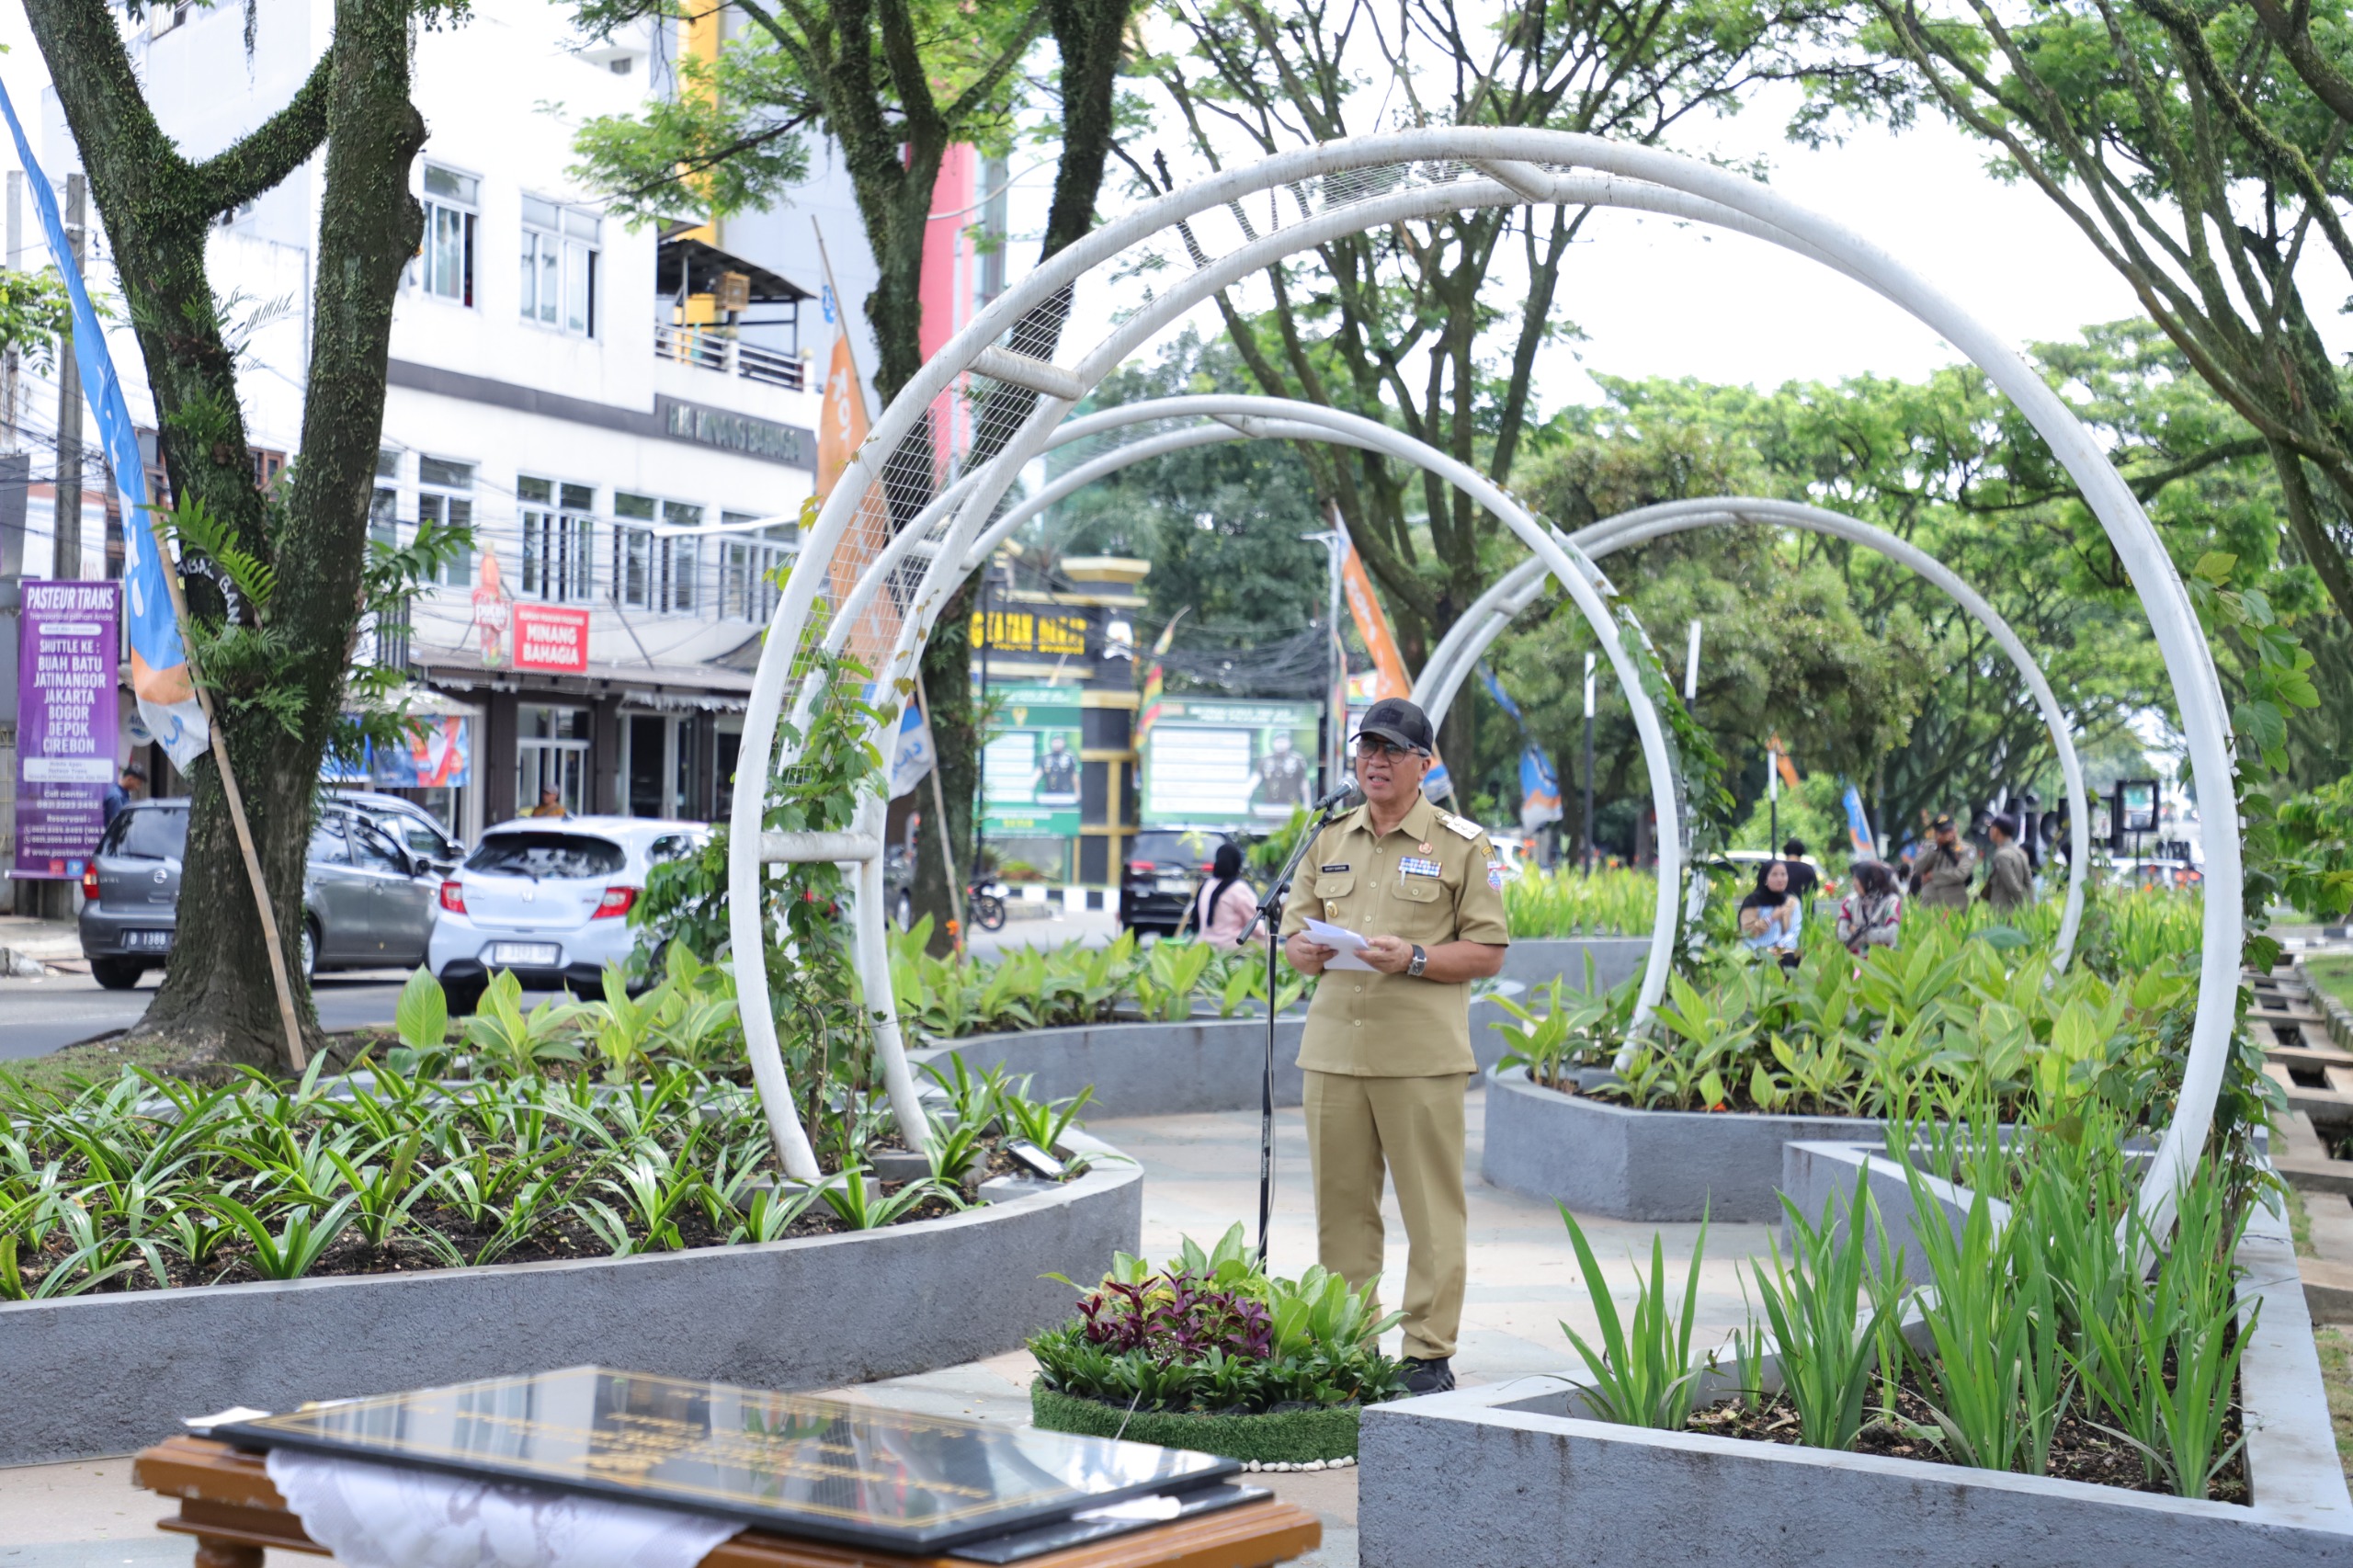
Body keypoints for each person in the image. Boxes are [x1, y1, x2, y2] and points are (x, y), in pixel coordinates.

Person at [1280, 697, 1507, 1397]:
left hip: (1419, 1056)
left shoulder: (1462, 844)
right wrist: (1306, 953)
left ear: (1424, 764)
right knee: (1341, 1209)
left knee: (1431, 1209)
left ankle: (1425, 1353)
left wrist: (1412, 957)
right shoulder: (1329, 837)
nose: (1374, 762)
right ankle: (1347, 1345)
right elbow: (1294, 933)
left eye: (1391, 751)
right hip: (1334, 1054)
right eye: (1366, 748)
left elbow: (1488, 950)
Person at [1186, 842, 1265, 949]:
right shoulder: (1238, 888)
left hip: (1205, 945)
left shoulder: (1207, 884)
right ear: (1237, 863)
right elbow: (1254, 925)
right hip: (1231, 947)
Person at [1736, 860, 1803, 966]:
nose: (1780, 879)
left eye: (1783, 874)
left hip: (1782, 950)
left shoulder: (1792, 902)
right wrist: (1771, 918)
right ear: (1765, 878)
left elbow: (1794, 931)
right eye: (1774, 875)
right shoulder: (1753, 901)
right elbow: (1747, 934)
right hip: (1755, 950)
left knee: (1791, 958)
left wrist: (1780, 946)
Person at [1836, 859, 1903, 955]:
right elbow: (1841, 934)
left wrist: (1859, 932)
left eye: (1857, 879)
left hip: (1881, 960)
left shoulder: (1891, 901)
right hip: (1855, 961)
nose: (1854, 883)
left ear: (1870, 880)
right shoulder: (1850, 901)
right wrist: (1876, 936)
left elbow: (1891, 934)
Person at [1909, 814, 1976, 909]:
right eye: (1943, 832)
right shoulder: (1929, 847)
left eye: (1950, 830)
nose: (1947, 834)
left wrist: (1932, 875)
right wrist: (1936, 847)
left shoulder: (1966, 849)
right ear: (1936, 832)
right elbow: (1918, 869)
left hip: (1954, 904)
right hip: (1929, 904)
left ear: (1955, 828)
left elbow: (1961, 874)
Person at [1981, 815, 2034, 912]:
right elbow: (2029, 883)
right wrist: (2030, 908)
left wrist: (2025, 905)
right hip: (2017, 913)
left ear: (1996, 830)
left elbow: (2013, 886)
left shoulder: (2001, 856)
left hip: (2003, 914)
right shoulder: (2020, 853)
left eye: (1991, 828)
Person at [102, 761, 147, 828]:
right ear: (130, 779)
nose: (138, 788)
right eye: (138, 783)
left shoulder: (123, 793)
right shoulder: (116, 796)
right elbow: (117, 825)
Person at [1035, 733, 1079, 801]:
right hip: (1049, 794)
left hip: (1065, 794)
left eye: (1059, 742)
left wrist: (1078, 792)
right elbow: (1039, 771)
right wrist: (1033, 782)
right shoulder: (1046, 757)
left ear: (1064, 743)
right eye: (1055, 742)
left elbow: (1074, 776)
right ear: (1051, 743)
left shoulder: (1069, 757)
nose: (1057, 744)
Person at [1778, 838, 1819, 902]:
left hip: (1781, 907)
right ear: (1801, 852)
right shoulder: (1808, 869)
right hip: (1804, 908)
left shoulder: (1778, 868)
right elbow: (1814, 888)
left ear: (1785, 851)